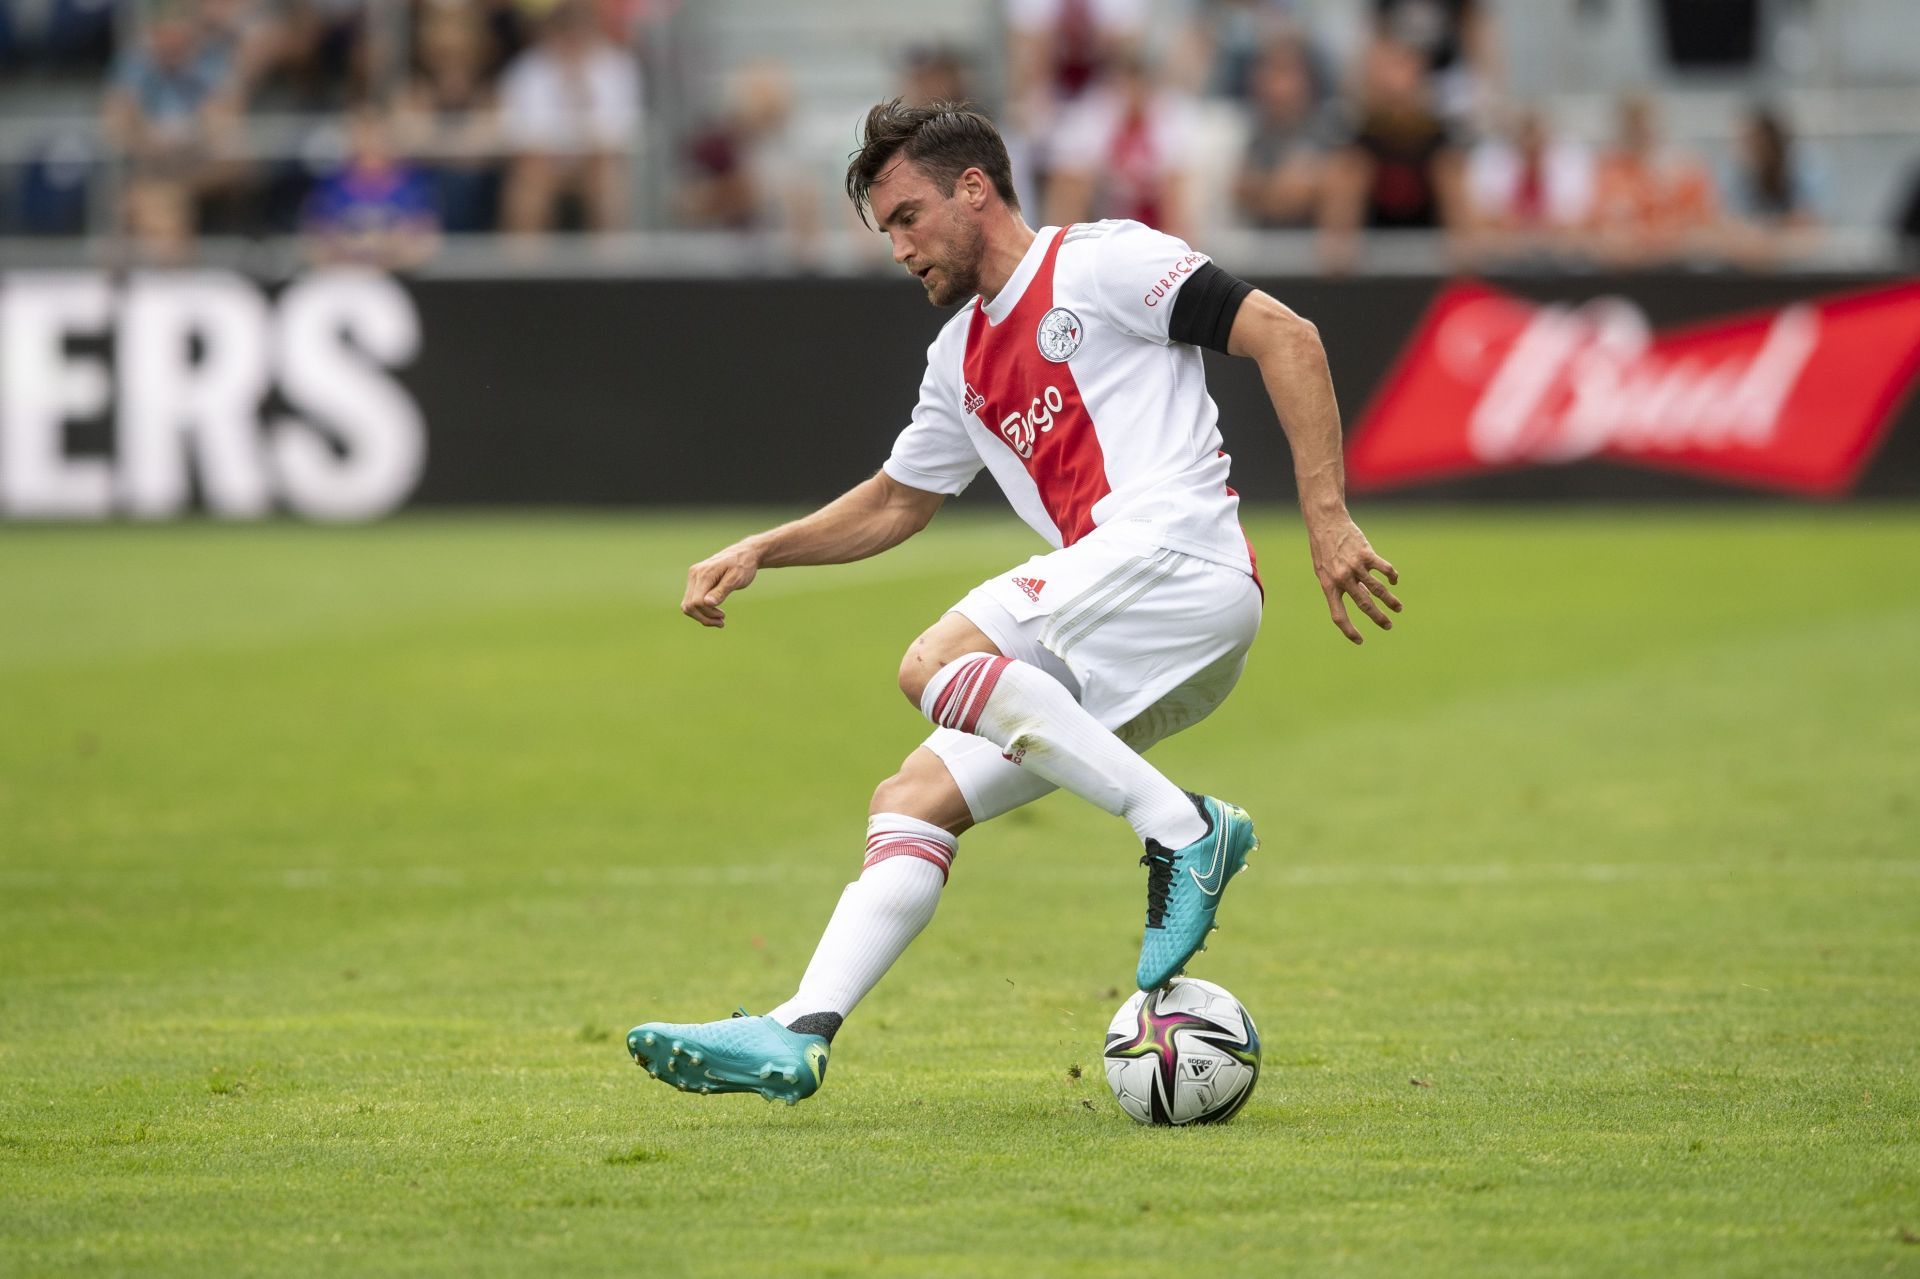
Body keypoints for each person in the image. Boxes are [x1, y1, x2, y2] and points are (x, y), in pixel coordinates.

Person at [626, 100, 1402, 1104]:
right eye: (885, 228)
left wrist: (1328, 517)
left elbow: (1284, 335)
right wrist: (764, 550)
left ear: (976, 189)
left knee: (933, 662)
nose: (898, 246)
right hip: (1131, 637)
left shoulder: (1104, 261)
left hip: (1175, 555)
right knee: (912, 797)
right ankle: (799, 1028)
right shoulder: (958, 362)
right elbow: (901, 499)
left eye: (907, 216)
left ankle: (1181, 828)